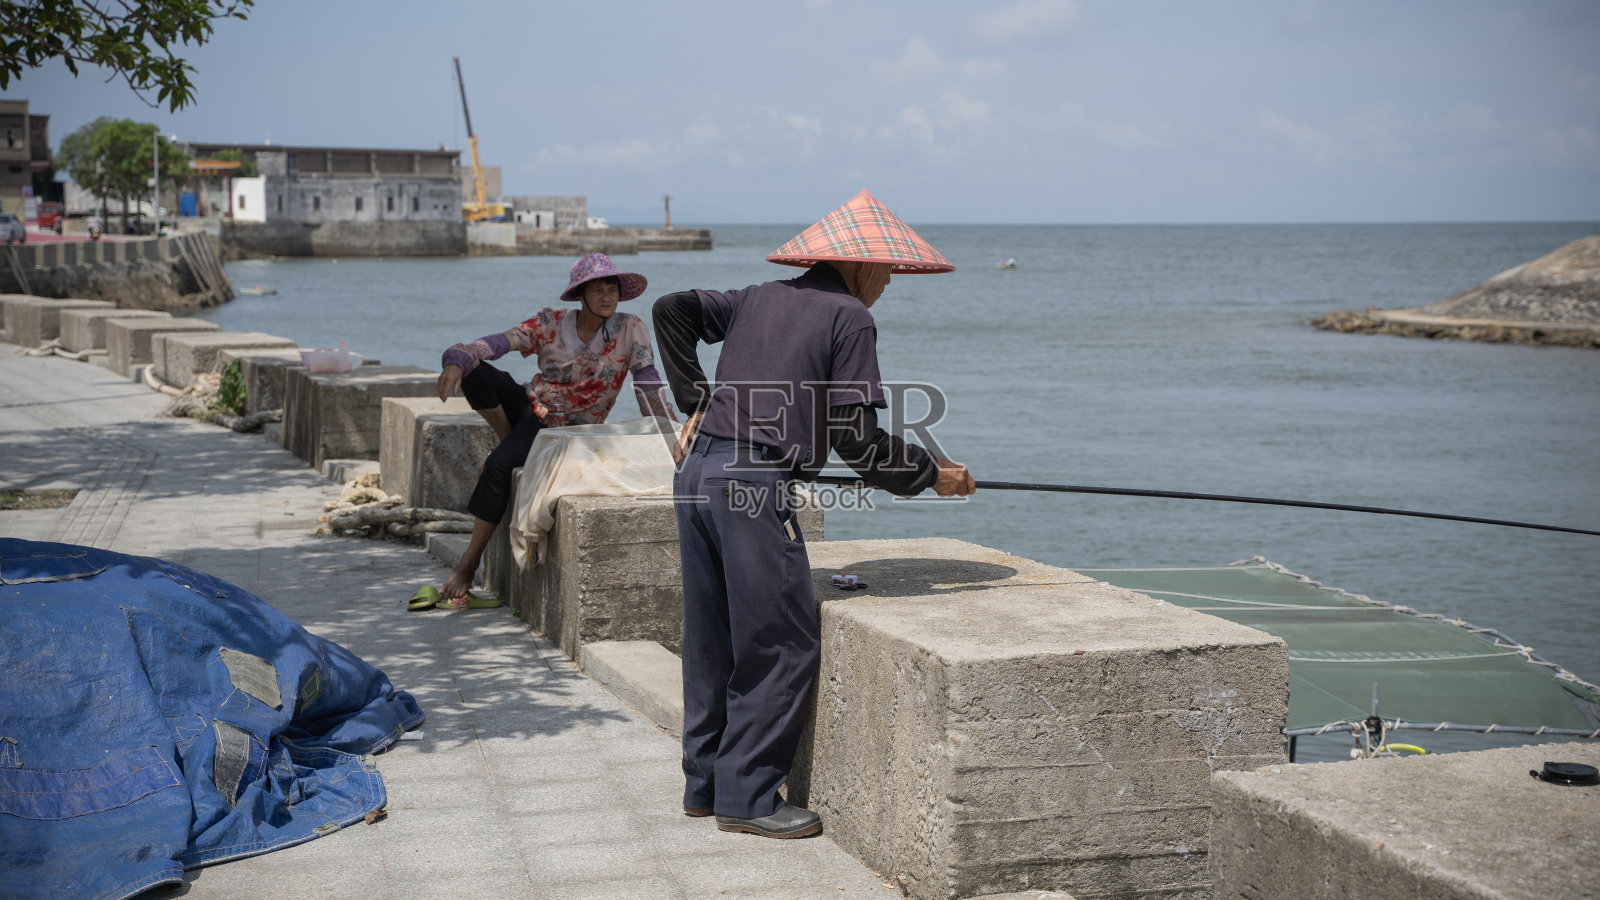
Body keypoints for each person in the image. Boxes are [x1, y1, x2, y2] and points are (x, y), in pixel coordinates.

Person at [652, 190, 976, 839]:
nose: (888, 283)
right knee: (782, 641)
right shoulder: (851, 316)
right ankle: (747, 798)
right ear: (859, 266)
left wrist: (695, 399)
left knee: (712, 637)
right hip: (751, 482)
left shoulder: (757, 296)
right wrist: (929, 474)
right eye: (887, 271)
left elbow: (670, 310)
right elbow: (856, 441)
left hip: (696, 476)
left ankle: (704, 783)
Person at [436, 252, 675, 607]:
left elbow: (648, 384)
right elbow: (499, 343)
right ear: (581, 293)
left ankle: (468, 564)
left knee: (499, 466)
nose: (608, 295)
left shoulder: (631, 328)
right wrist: (457, 359)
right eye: (598, 289)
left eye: (613, 288)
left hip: (566, 429)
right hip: (529, 407)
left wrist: (672, 435)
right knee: (476, 371)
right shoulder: (552, 322)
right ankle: (509, 441)